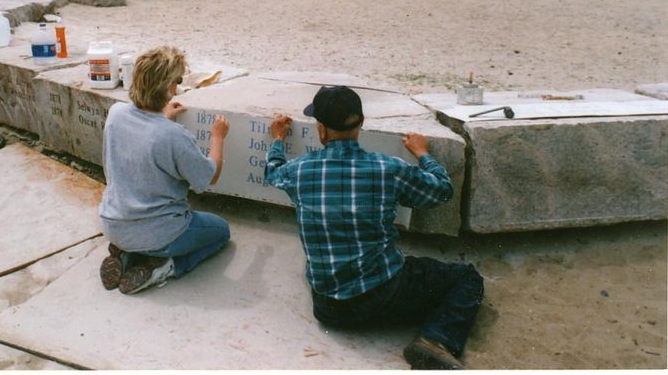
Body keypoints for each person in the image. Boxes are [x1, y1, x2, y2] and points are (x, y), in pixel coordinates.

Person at [264, 86, 484, 370]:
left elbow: (272, 172)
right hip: (384, 296)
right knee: (466, 278)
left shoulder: (299, 171)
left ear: (321, 130)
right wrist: (423, 154)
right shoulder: (386, 168)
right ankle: (436, 339)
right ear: (362, 122)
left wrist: (278, 139)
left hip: (328, 309)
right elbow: (442, 191)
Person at [98, 46, 231, 295]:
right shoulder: (173, 136)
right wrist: (218, 139)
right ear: (169, 88)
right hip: (159, 233)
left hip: (113, 223)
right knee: (221, 231)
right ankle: (167, 266)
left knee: (135, 234)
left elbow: (144, 135)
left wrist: (163, 116)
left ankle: (124, 253)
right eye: (178, 81)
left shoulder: (116, 114)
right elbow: (208, 177)